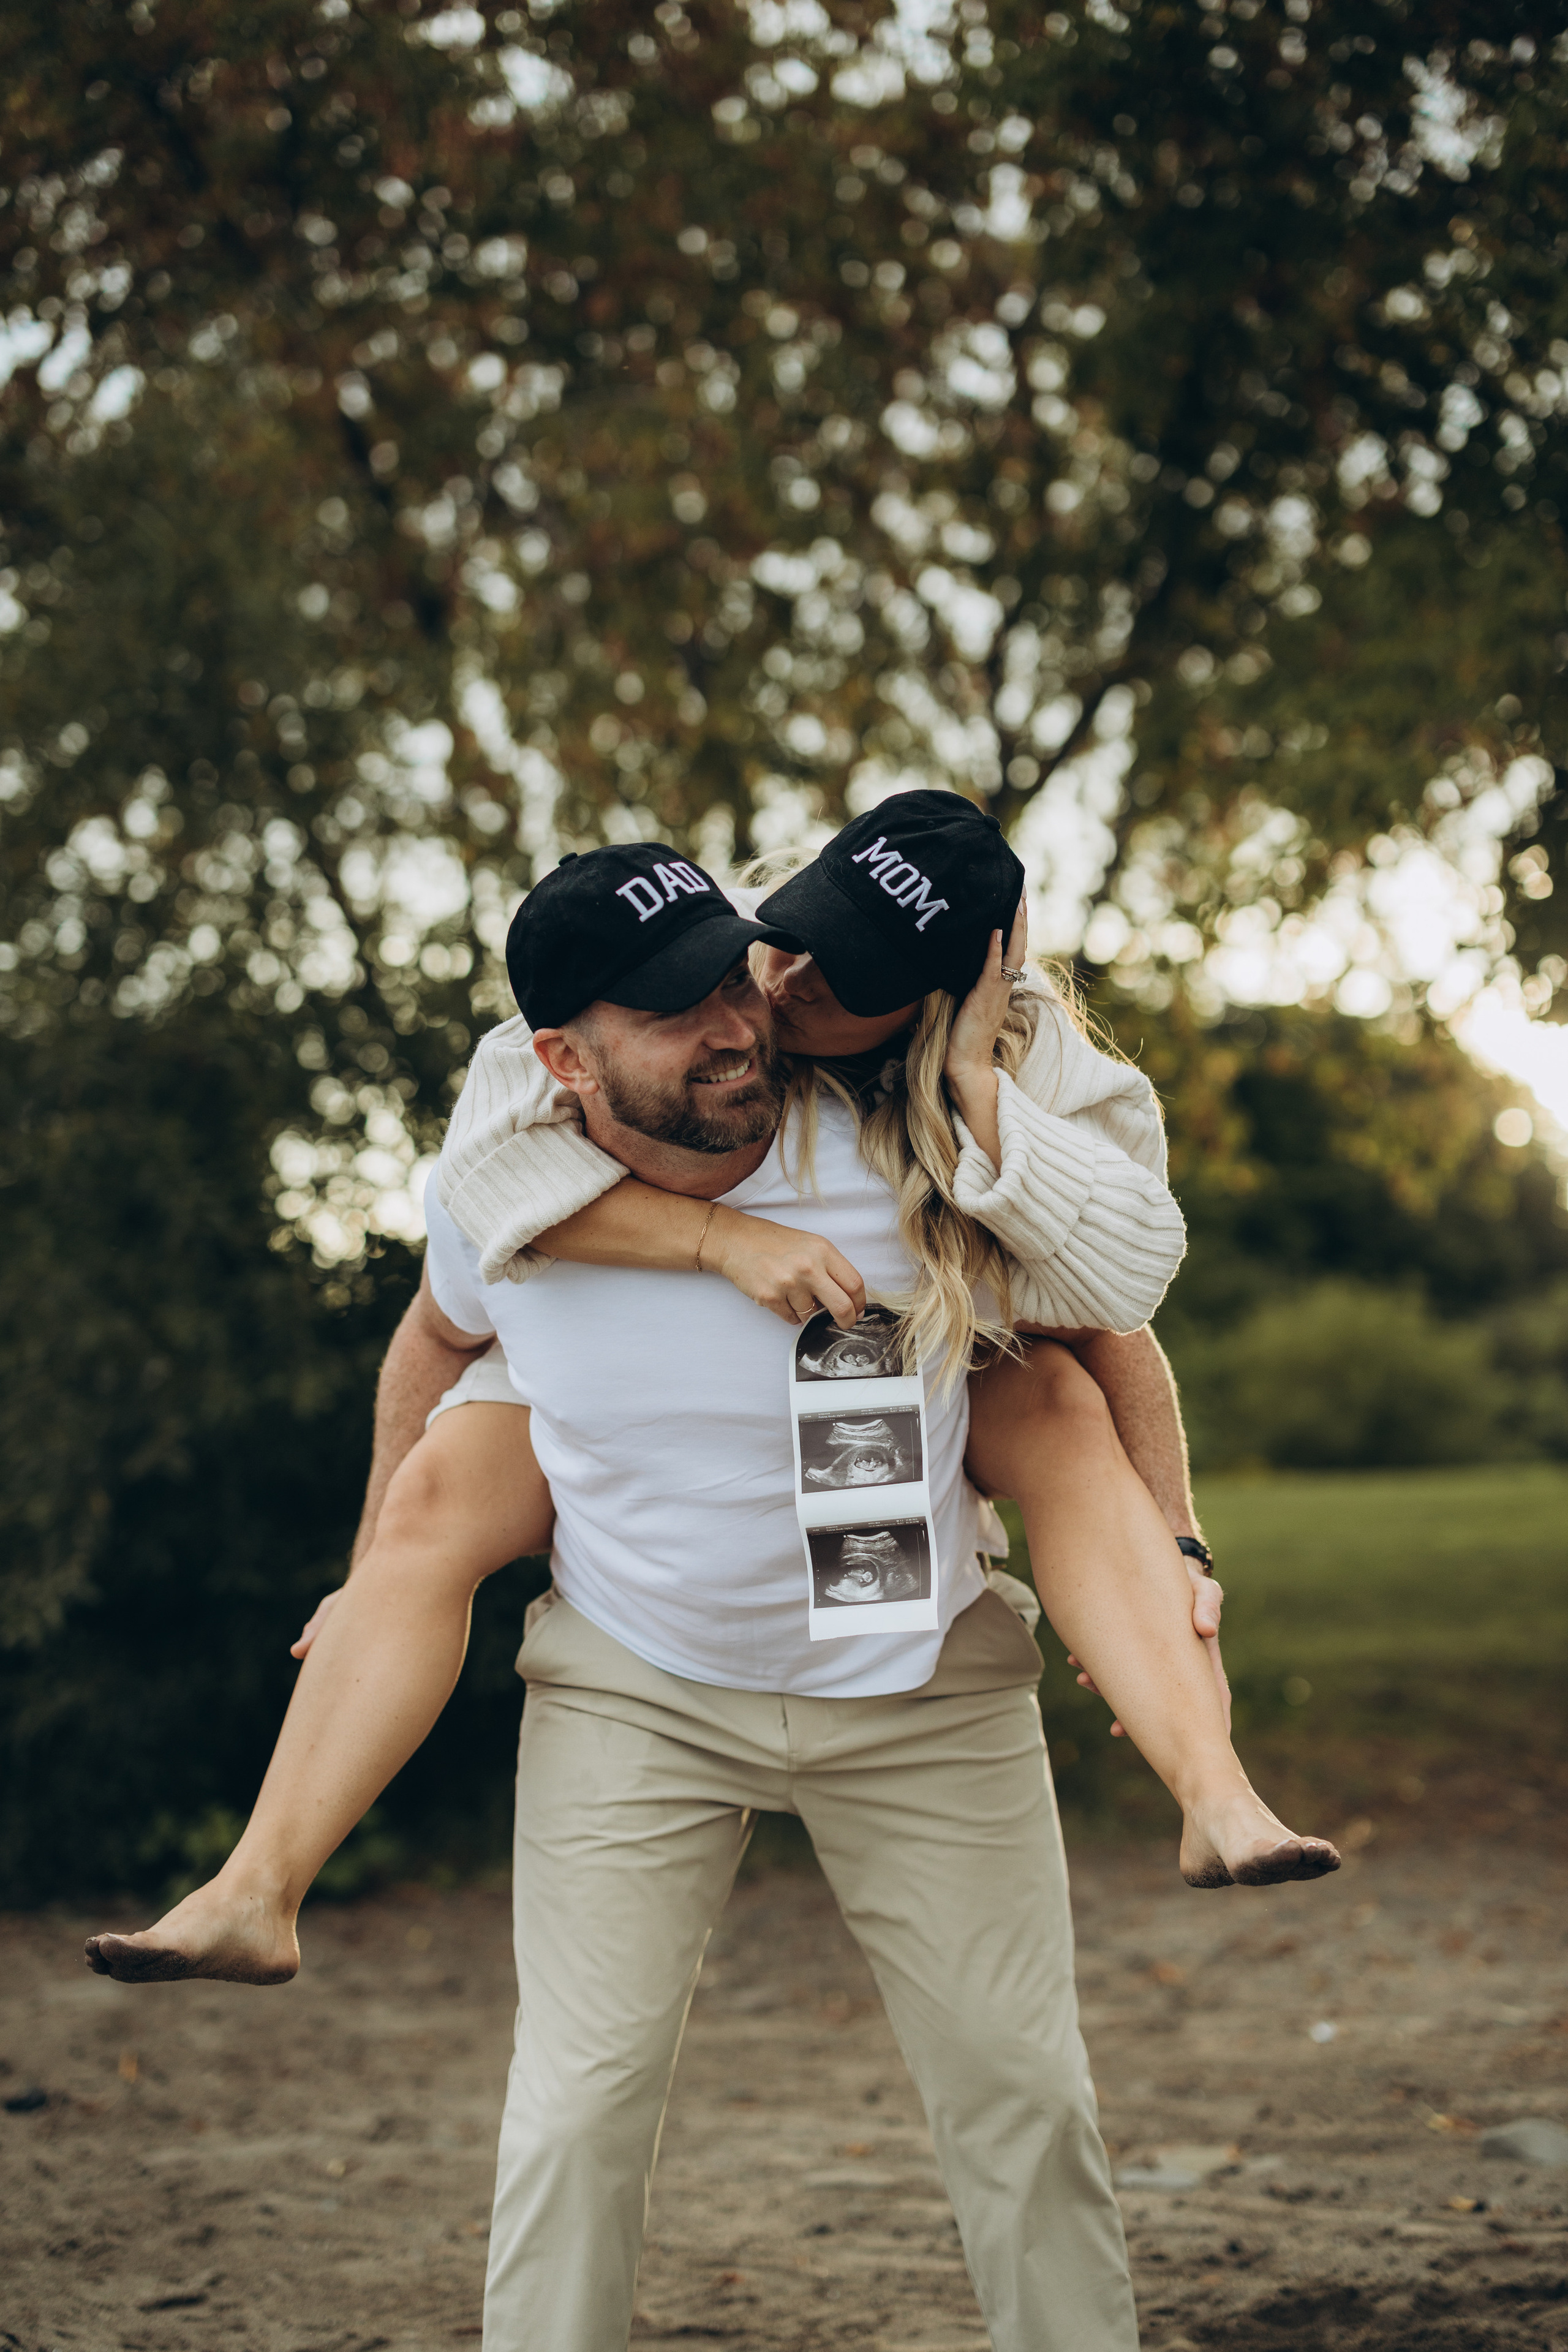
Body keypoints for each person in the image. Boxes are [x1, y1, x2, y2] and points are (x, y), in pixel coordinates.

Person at [87, 807, 1336, 2351]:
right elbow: (434, 1333)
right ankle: (256, 1890)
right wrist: (368, 1579)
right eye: (684, 1006)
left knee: (1022, 2095)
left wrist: (1181, 1545)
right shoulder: (514, 1162)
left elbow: (1108, 1337)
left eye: (733, 980)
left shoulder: (904, 1136)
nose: (747, 1015)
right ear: (565, 1057)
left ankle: (1212, 1802)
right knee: (575, 2112)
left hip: (916, 1673)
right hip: (639, 1684)